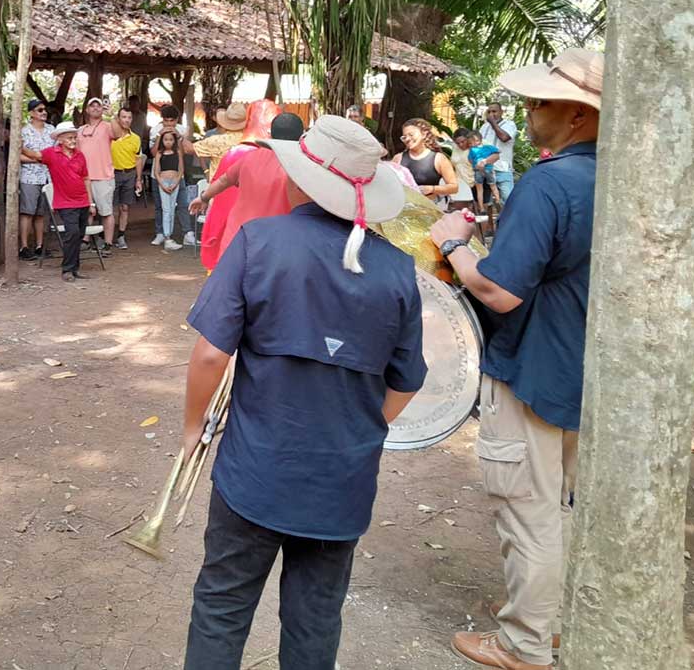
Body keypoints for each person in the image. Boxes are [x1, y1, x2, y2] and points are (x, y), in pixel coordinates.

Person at [180, 115, 425, 670]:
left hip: (255, 470)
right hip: (341, 480)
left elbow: (211, 354)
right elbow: (407, 382)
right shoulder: (398, 270)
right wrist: (357, 429)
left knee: (222, 605)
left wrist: (193, 428)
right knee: (316, 617)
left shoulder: (259, 241)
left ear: (298, 180)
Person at [430, 50, 603, 670]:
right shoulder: (617, 179)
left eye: (539, 102)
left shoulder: (548, 183)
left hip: (534, 367)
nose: (527, 111)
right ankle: (552, 621)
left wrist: (454, 244)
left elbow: (501, 292)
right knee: (566, 505)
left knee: (529, 511)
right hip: (588, 370)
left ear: (578, 116)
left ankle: (524, 643)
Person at [188, 111, 305, 259]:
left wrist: (203, 197)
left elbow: (223, 180)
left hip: (238, 238)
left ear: (270, 134)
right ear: (301, 137)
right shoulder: (302, 167)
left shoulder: (249, 157)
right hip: (275, 244)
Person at [196, 100, 281, 270]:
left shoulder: (235, 151)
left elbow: (222, 183)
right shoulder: (284, 157)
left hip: (235, 222)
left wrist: (204, 196)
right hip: (270, 230)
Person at [36, 121, 92, 282]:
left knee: (78, 235)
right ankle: (67, 269)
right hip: (65, 202)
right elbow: (34, 155)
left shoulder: (80, 155)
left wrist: (91, 202)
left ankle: (74, 268)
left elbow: (86, 178)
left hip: (82, 201)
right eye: (69, 138)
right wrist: (19, 147)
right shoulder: (51, 153)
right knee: (72, 233)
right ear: (60, 139)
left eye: (74, 137)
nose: (73, 141)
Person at [76, 96, 127, 251]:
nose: (96, 108)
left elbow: (118, 134)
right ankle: (85, 240)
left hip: (103, 176)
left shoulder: (107, 126)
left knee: (106, 211)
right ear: (87, 110)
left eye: (98, 106)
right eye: (92, 106)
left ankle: (108, 243)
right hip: (84, 177)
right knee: (86, 211)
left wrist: (112, 115)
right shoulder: (80, 130)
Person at [151, 104, 198, 246]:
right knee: (160, 206)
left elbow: (184, 154)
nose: (169, 124)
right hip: (159, 175)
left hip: (178, 175)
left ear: (177, 120)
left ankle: (187, 233)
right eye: (166, 120)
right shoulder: (155, 130)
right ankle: (160, 233)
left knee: (183, 204)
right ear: (162, 119)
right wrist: (160, 136)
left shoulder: (182, 130)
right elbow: (153, 153)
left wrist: (179, 137)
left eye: (172, 121)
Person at [393, 118, 458, 208]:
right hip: (404, 207)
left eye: (411, 135)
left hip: (430, 207)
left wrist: (432, 189)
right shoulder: (398, 158)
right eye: (404, 137)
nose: (407, 139)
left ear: (424, 134)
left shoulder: (438, 158)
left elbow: (454, 187)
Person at [18, 99, 55, 260]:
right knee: (27, 211)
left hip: (47, 176)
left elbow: (55, 153)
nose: (44, 112)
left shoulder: (51, 130)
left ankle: (40, 246)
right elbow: (17, 155)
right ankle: (24, 247)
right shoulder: (24, 131)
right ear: (31, 113)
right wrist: (38, 159)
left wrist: (38, 157)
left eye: (44, 110)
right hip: (29, 177)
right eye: (40, 110)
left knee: (41, 213)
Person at [110, 105, 144, 249]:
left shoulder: (136, 138)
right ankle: (105, 237)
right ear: (118, 119)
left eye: (129, 117)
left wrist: (138, 179)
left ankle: (121, 236)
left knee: (124, 207)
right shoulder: (111, 137)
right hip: (112, 174)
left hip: (129, 174)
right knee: (110, 208)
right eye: (123, 117)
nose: (127, 120)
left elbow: (138, 159)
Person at [153, 129, 186, 250]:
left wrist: (176, 183)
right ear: (162, 141)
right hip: (164, 182)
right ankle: (167, 237)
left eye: (171, 139)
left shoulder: (177, 152)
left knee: (171, 209)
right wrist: (162, 185)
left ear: (174, 141)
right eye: (166, 139)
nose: (168, 142)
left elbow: (181, 170)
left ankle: (169, 236)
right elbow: (156, 172)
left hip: (174, 182)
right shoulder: (159, 153)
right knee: (166, 209)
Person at [480, 102, 519, 201]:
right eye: (489, 112)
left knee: (508, 199)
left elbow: (504, 137)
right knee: (486, 201)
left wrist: (493, 123)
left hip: (502, 169)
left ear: (501, 112)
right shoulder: (484, 127)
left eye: (494, 111)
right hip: (486, 169)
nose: (491, 114)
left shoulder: (509, 124)